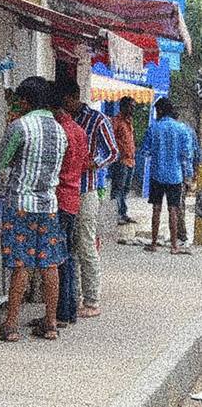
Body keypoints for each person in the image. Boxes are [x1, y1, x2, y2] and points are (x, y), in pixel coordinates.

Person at [0, 77, 68, 342]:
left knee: (20, 264)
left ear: (24, 101)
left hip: (20, 204)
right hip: (49, 205)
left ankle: (10, 326)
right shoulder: (60, 130)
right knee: (50, 263)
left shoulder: (20, 126)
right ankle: (51, 324)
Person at [61, 82, 119, 319]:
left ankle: (92, 299)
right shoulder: (64, 121)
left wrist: (95, 162)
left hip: (86, 190)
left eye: (67, 103)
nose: (65, 108)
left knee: (85, 244)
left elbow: (113, 151)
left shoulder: (97, 120)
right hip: (66, 190)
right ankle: (71, 298)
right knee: (69, 245)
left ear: (74, 97)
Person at [48, 82, 89, 328]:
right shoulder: (79, 131)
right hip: (73, 197)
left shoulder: (59, 131)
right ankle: (68, 309)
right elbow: (83, 164)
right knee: (68, 257)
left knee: (57, 257)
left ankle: (60, 313)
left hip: (59, 197)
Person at [139, 98, 193, 255]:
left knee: (156, 209)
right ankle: (174, 246)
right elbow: (186, 155)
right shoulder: (182, 129)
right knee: (173, 210)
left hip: (157, 174)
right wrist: (188, 176)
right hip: (175, 176)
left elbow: (144, 151)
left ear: (161, 110)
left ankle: (154, 243)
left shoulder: (153, 128)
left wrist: (157, 152)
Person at [111, 97, 137, 225]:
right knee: (118, 188)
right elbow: (111, 139)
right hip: (121, 161)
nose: (133, 109)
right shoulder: (116, 121)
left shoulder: (129, 122)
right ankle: (115, 214)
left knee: (125, 189)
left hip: (130, 160)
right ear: (123, 107)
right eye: (131, 106)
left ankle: (123, 212)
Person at [175, 113, 200, 245]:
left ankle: (180, 235)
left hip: (174, 172)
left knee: (174, 205)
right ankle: (179, 235)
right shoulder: (190, 131)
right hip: (185, 173)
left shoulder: (173, 130)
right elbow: (197, 153)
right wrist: (195, 174)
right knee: (179, 203)